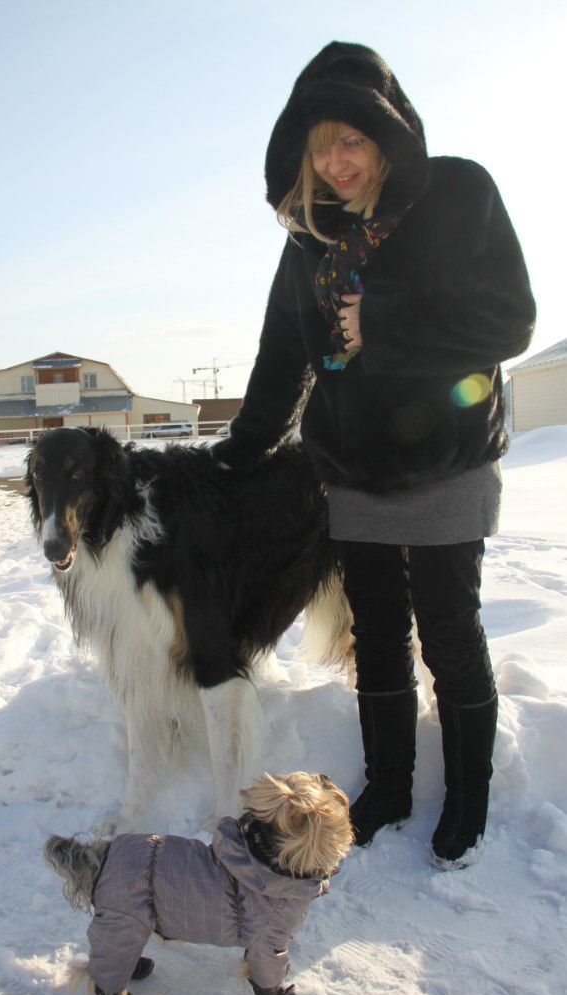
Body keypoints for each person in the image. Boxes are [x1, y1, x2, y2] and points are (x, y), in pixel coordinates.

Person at [212, 42, 535, 870]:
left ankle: (467, 797)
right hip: (354, 471)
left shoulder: (457, 193)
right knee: (379, 636)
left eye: (351, 139)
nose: (337, 161)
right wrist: (237, 453)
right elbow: (281, 361)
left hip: (448, 460)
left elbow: (510, 321)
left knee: (449, 634)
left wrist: (382, 323)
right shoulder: (308, 238)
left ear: (387, 133)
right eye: (320, 147)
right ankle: (390, 785)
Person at [43, 771, 353, 995]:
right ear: (324, 849)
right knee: (120, 937)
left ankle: (126, 960)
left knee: (125, 933)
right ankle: (108, 990)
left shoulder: (245, 859)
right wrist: (272, 992)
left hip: (135, 856)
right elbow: (266, 952)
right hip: (131, 887)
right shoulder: (277, 906)